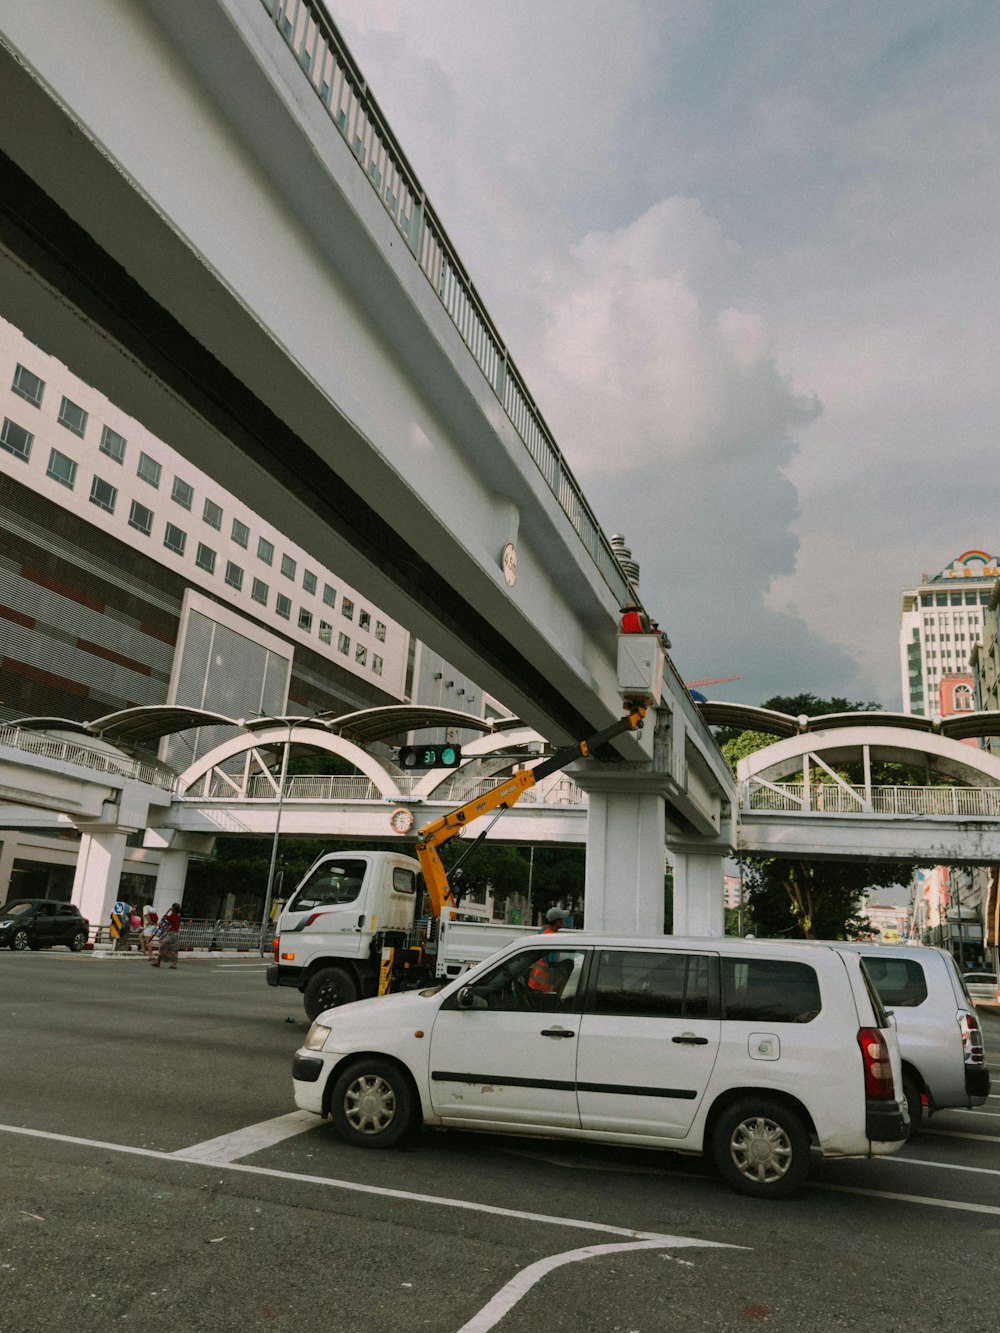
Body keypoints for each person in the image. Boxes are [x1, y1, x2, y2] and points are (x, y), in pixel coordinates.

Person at [527, 907, 570, 998]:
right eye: (562, 919)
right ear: (557, 921)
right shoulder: (551, 939)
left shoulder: (544, 934)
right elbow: (553, 965)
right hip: (542, 987)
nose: (564, 921)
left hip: (535, 984)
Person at [151, 902, 182, 969]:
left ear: (173, 909)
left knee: (162, 947)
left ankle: (158, 963)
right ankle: (174, 964)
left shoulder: (172, 916)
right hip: (176, 934)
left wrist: (168, 911)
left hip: (171, 934)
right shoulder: (178, 917)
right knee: (174, 949)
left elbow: (164, 917)